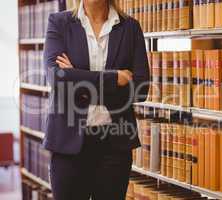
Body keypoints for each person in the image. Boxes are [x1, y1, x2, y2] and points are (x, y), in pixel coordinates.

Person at [42, 0, 149, 199]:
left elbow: (141, 90)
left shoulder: (130, 28)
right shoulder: (59, 23)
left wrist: (77, 78)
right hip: (68, 145)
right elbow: (56, 78)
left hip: (114, 146)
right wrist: (115, 78)